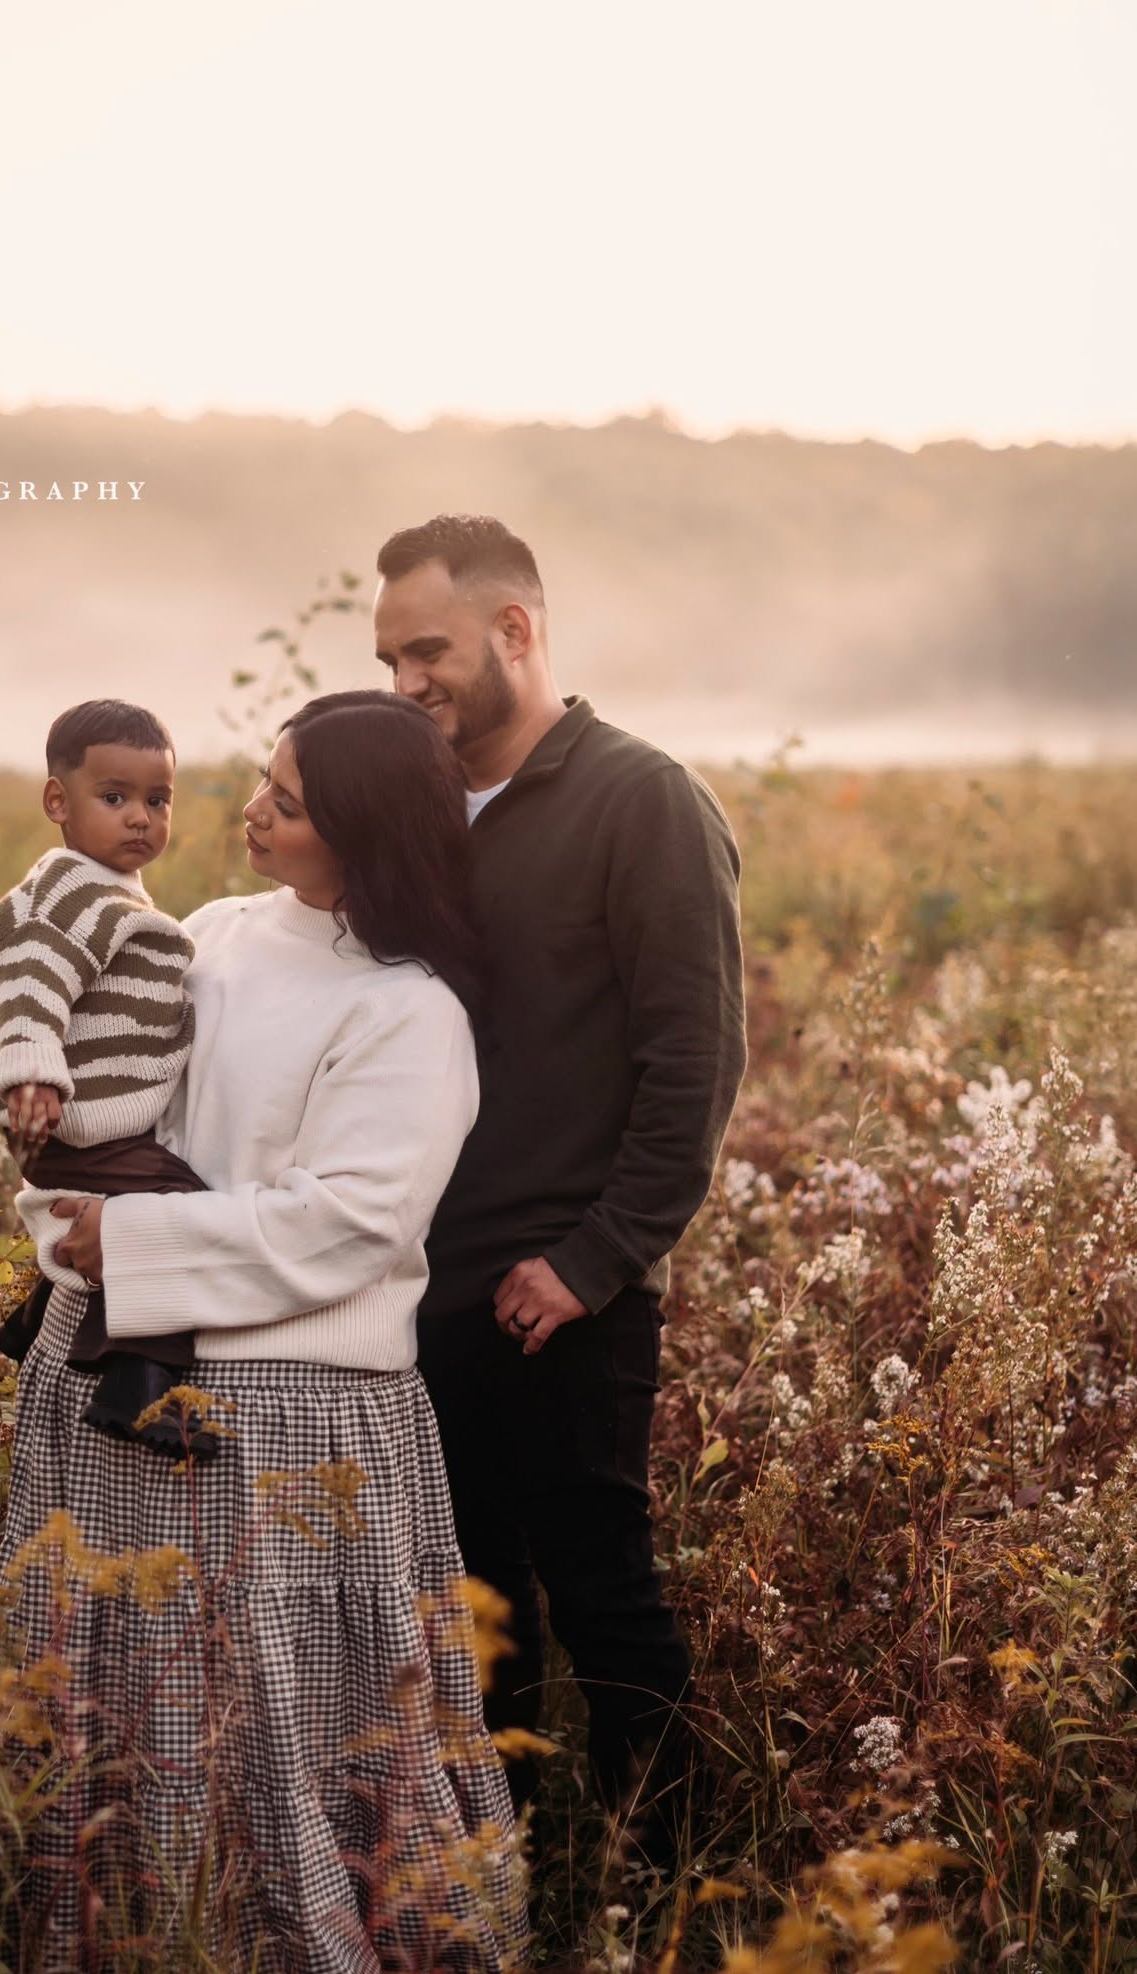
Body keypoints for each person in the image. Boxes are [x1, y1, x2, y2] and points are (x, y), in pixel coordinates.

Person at [0, 691, 525, 1974]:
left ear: (358, 829)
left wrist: (139, 1248)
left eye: (284, 800)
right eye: (262, 785)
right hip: (106, 1371)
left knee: (273, 1721)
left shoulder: (408, 1013)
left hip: (285, 1414)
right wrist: (60, 1197)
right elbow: (100, 1102)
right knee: (115, 1692)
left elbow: (351, 1224)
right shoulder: (209, 935)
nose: (247, 813)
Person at [371, 514, 748, 1873]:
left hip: (561, 1294)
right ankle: (502, 1890)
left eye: (427, 651)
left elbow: (692, 1066)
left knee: (604, 1600)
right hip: (418, 1290)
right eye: (386, 657)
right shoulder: (418, 813)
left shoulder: (641, 799)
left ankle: (686, 1894)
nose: (405, 681)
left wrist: (590, 1264)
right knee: (473, 1610)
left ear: (513, 630)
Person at [0, 697, 212, 1460]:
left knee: (105, 1220)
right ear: (58, 801)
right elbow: (36, 979)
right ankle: (142, 1386)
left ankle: (43, 1313)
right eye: (115, 798)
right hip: (68, 1116)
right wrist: (34, 1074)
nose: (139, 817)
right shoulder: (75, 898)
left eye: (157, 799)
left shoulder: (84, 886)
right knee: (180, 1216)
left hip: (71, 1121)